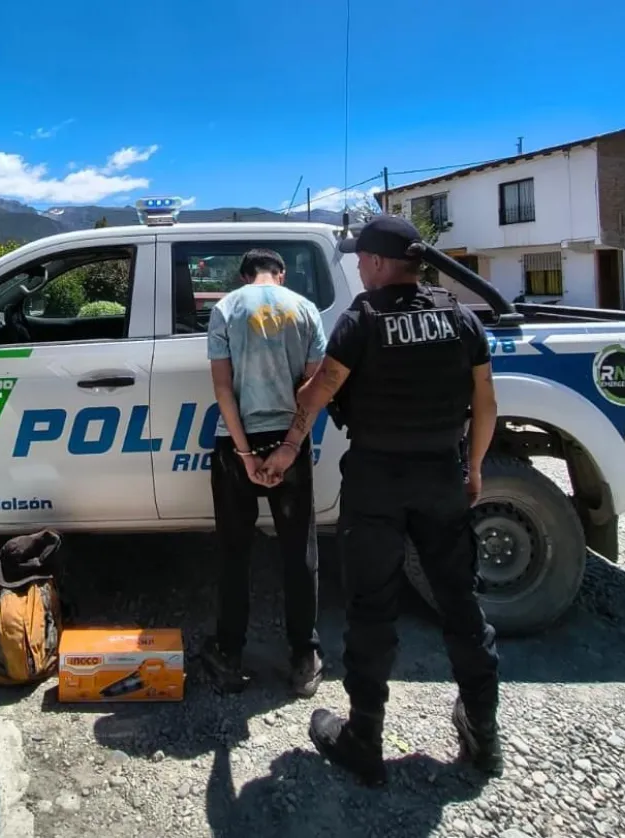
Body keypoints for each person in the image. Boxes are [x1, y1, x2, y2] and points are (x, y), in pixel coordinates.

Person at [258, 216, 502, 786]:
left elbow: (317, 396)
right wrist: (474, 469)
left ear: (375, 261)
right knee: (462, 607)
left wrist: (289, 443)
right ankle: (484, 737)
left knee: (372, 610)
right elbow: (485, 403)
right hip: (442, 477)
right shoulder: (459, 317)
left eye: (362, 259)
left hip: (377, 482)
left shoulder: (362, 322)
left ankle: (364, 736)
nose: (360, 268)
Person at [200, 247, 327, 698]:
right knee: (299, 551)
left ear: (243, 275)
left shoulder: (225, 308)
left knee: (234, 551)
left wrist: (244, 454)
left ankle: (229, 654)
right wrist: (290, 446)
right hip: (290, 442)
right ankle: (304, 657)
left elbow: (222, 387)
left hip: (237, 443)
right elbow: (313, 389)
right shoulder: (306, 309)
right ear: (281, 273)